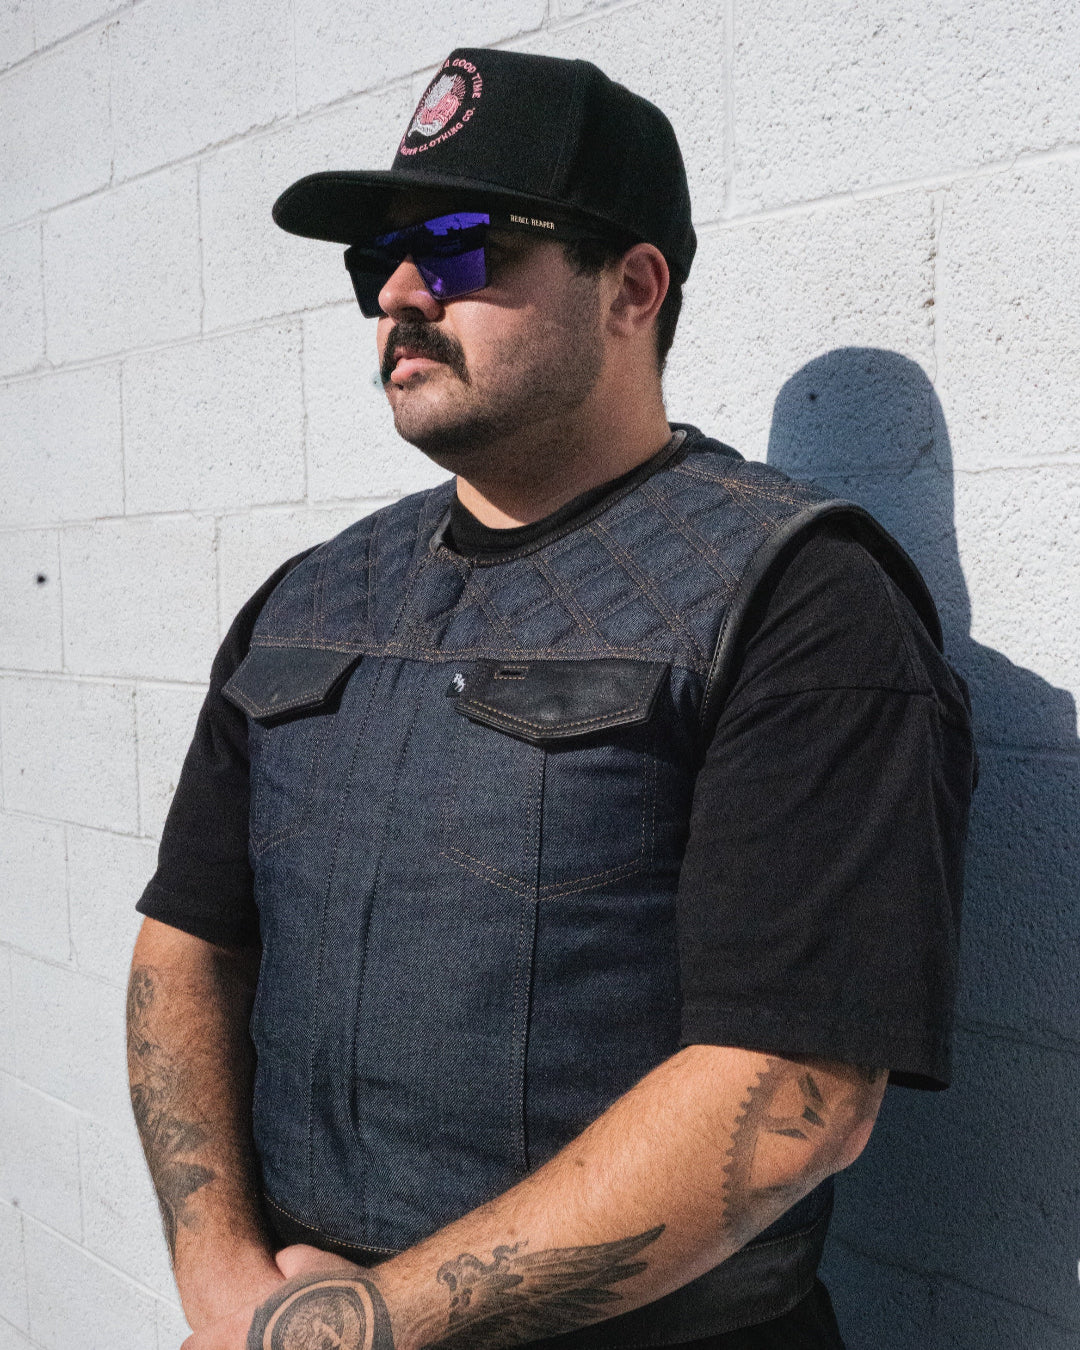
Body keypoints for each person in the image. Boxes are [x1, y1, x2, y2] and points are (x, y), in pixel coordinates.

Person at [128, 48, 975, 1350]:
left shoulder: (797, 593)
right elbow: (186, 947)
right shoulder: (309, 596)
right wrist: (223, 1277)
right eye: (379, 263)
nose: (402, 294)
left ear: (632, 287)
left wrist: (356, 1327)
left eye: (462, 250)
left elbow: (798, 1081)